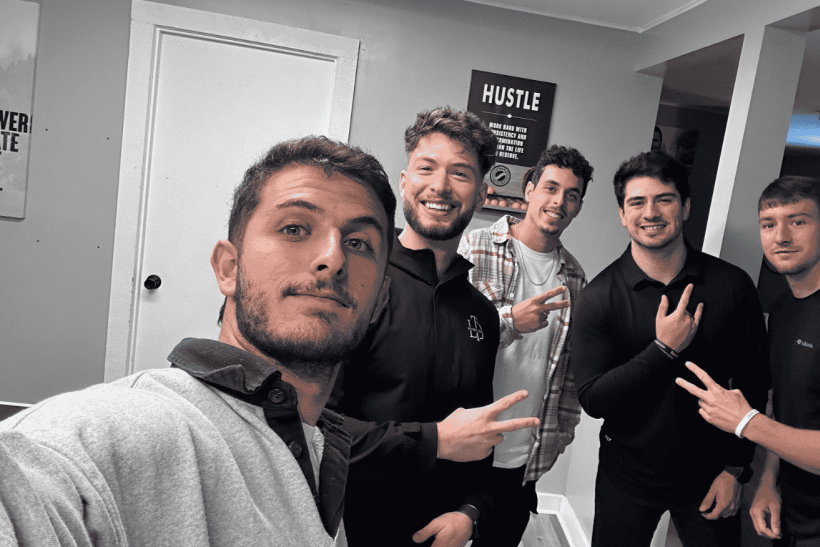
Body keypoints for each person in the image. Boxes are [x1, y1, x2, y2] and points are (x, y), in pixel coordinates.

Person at [0, 136, 538, 546]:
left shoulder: (318, 447)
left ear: (378, 294)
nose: (332, 258)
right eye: (295, 229)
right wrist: (432, 441)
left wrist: (471, 510)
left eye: (358, 242)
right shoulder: (127, 432)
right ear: (227, 267)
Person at [677, 175, 820, 547]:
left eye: (798, 221)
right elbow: (786, 408)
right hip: (794, 515)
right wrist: (769, 482)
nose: (781, 236)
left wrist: (746, 423)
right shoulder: (784, 309)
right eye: (769, 225)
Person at [570, 150, 768, 547]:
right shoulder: (599, 297)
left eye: (664, 199)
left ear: (686, 206)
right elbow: (593, 399)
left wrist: (736, 469)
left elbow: (754, 381)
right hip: (626, 476)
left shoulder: (732, 285)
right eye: (637, 202)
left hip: (712, 476)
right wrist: (662, 351)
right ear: (622, 214)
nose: (651, 212)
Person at [329, 107, 503, 547]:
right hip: (349, 529)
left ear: (481, 195)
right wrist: (434, 441)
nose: (440, 186)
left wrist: (471, 510)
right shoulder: (356, 283)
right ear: (405, 182)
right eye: (427, 168)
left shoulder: (481, 314)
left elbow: (479, 431)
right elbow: (316, 428)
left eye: (460, 173)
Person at [457, 145, 594, 546]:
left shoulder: (575, 279)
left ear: (578, 206)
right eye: (551, 188)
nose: (559, 202)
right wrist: (509, 321)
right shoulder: (475, 248)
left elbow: (570, 373)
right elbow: (449, 339)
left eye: (572, 195)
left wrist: (561, 434)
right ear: (529, 189)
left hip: (522, 457)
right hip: (463, 440)